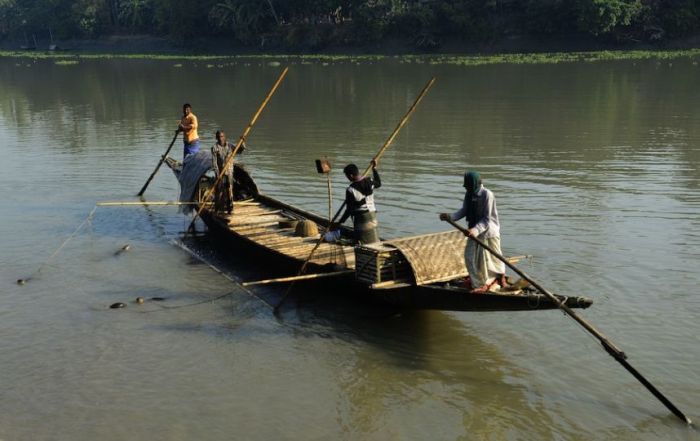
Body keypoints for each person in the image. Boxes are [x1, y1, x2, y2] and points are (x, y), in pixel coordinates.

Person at [439, 171, 506, 293]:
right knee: (469, 257)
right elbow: (464, 210)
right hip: (473, 231)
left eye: (467, 185)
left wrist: (474, 230)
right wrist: (450, 217)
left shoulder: (487, 195)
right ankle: (479, 283)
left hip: (489, 232)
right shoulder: (469, 194)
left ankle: (500, 278)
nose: (465, 187)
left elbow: (487, 219)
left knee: (494, 258)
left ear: (474, 183)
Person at [336, 160, 381, 244]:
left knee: (361, 240)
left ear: (351, 175)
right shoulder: (369, 181)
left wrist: (339, 222)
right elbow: (378, 183)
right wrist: (374, 169)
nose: (347, 178)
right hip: (372, 214)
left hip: (361, 218)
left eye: (347, 176)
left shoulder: (350, 189)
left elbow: (349, 210)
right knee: (371, 237)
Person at [211, 130, 246, 214]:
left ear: (225, 137)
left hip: (229, 172)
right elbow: (214, 162)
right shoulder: (214, 148)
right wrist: (217, 173)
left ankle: (230, 209)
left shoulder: (230, 146)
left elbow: (240, 150)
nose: (220, 138)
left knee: (229, 190)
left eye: (222, 136)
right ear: (216, 138)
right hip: (220, 173)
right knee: (219, 191)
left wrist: (242, 142)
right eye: (219, 137)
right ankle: (217, 209)